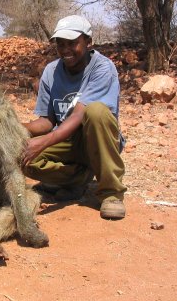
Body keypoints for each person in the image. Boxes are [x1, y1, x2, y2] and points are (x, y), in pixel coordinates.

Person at [21, 15, 127, 219]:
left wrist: (43, 142)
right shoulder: (51, 72)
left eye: (72, 43)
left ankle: (111, 193)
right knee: (22, 157)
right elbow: (47, 121)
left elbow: (80, 113)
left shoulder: (102, 67)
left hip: (98, 139)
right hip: (67, 141)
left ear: (88, 42)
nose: (65, 50)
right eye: (60, 44)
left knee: (95, 111)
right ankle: (76, 179)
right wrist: (12, 127)